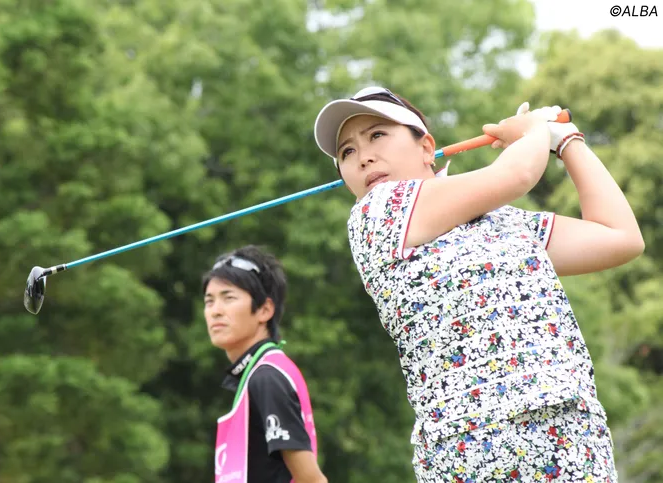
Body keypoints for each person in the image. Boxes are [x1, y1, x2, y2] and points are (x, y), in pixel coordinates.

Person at [312, 86, 645, 482]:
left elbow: (620, 238)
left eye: (377, 135)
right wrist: (534, 130)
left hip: (570, 440)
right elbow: (517, 174)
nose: (363, 156)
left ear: (427, 148)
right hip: (470, 448)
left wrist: (567, 142)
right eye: (347, 152)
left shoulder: (504, 222)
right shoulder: (377, 212)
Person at [202, 245, 327, 483]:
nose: (215, 311)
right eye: (209, 301)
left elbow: (312, 480)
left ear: (265, 310)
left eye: (228, 298)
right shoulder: (263, 371)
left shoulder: (267, 376)